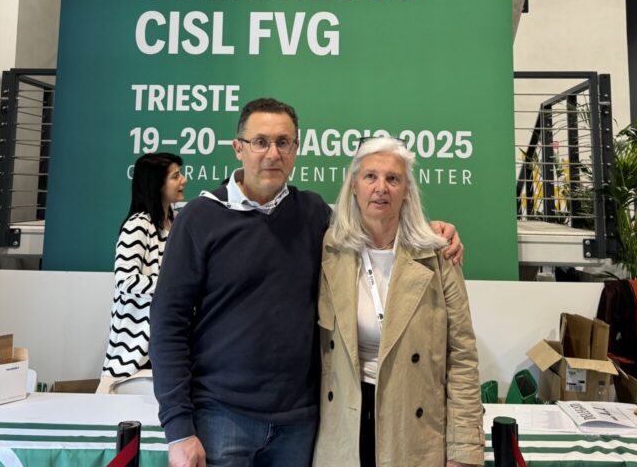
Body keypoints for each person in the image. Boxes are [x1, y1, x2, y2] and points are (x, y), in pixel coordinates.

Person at [150, 98, 462, 467]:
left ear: (296, 149)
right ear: (238, 148)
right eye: (260, 142)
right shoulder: (200, 218)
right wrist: (179, 430)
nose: (273, 154)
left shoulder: (315, 215)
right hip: (222, 418)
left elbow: (377, 221)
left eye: (284, 142)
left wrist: (433, 231)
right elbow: (167, 324)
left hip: (300, 426)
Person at [312, 137, 482, 467]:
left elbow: (462, 356)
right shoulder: (330, 249)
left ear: (407, 191)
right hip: (344, 424)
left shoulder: (438, 254)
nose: (381, 188)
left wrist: (463, 450)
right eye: (370, 177)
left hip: (414, 426)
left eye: (393, 178)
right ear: (354, 186)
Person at [98, 152, 186, 393]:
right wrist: (175, 286)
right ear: (156, 184)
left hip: (167, 338)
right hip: (136, 347)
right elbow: (125, 280)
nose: (183, 180)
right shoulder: (138, 224)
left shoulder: (175, 223)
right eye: (175, 176)